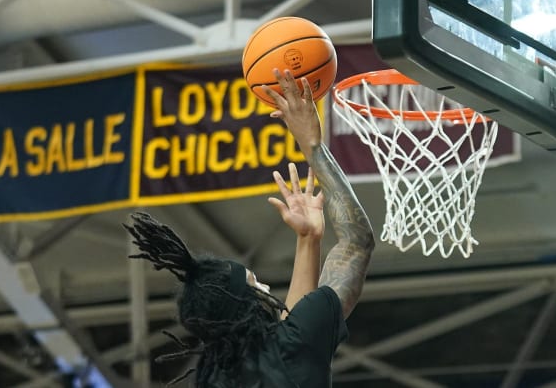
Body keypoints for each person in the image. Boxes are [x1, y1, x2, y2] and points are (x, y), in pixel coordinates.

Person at [124, 69, 375, 387]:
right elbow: (357, 242)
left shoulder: (212, 378)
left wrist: (308, 239)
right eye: (256, 284)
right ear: (245, 307)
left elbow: (291, 326)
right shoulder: (295, 346)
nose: (269, 289)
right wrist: (311, 145)